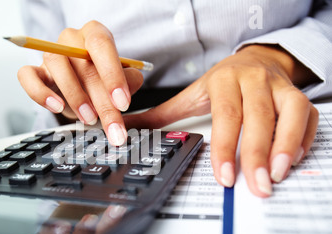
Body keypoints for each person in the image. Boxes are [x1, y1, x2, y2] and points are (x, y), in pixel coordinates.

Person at [17, 0, 332, 198]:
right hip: (113, 135)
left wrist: (275, 56)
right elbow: (51, 57)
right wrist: (68, 90)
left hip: (286, 94)